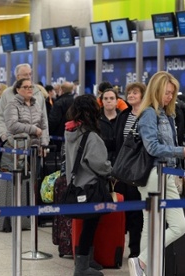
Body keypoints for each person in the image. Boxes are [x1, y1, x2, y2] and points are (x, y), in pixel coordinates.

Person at [129, 71, 185, 276]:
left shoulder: (167, 114)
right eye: (166, 92)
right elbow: (152, 147)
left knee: (162, 226)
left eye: (172, 93)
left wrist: (182, 154)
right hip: (153, 175)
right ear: (156, 90)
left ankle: (142, 265)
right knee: (168, 225)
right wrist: (180, 151)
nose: (169, 97)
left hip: (165, 173)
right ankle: (143, 264)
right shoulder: (149, 113)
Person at [65, 94, 111, 276]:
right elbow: (99, 163)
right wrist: (111, 169)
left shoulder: (70, 132)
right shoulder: (90, 136)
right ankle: (82, 267)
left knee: (87, 225)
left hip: (75, 184)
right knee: (90, 224)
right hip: (90, 186)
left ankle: (86, 260)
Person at [113, 82, 146, 259]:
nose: (131, 95)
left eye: (135, 93)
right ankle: (119, 247)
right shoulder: (123, 115)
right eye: (129, 93)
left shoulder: (147, 115)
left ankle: (135, 250)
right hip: (122, 171)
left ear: (143, 95)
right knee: (122, 210)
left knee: (136, 213)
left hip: (138, 171)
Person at [0, 63, 49, 143]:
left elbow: (43, 120)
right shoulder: (7, 94)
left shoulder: (38, 93)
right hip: (13, 143)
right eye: (25, 75)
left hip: (35, 143)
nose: (28, 77)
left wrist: (44, 142)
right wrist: (4, 136)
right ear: (17, 77)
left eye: (30, 74)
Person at [49, 82, 75, 152]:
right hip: (72, 133)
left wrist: (49, 132)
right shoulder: (75, 101)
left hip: (59, 134)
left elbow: (54, 120)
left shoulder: (59, 103)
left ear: (61, 90)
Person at [99, 88, 120, 163]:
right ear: (102, 101)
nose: (108, 101)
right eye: (105, 98)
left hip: (119, 162)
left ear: (117, 101)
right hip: (100, 161)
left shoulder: (123, 118)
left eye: (112, 98)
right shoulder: (95, 118)